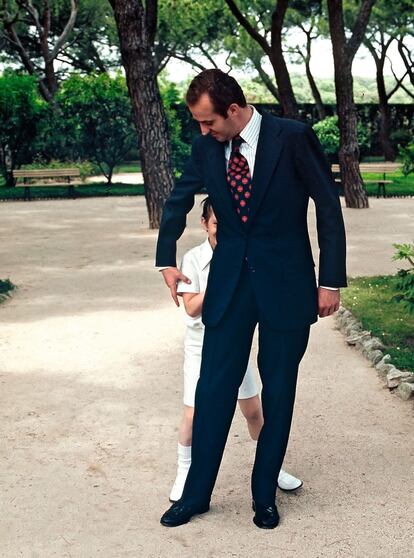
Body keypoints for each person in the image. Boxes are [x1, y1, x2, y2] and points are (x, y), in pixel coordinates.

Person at [156, 69, 346, 529]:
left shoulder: (292, 137)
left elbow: (326, 203)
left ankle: (264, 496)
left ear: (235, 110)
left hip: (286, 283)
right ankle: (196, 494)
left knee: (278, 391)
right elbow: (179, 199)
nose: (203, 132)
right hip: (229, 286)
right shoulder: (207, 147)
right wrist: (165, 259)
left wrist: (330, 280)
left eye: (209, 122)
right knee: (213, 389)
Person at [170, 196, 303, 503]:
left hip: (232, 345)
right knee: (193, 416)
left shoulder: (243, 256)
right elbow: (191, 308)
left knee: (254, 412)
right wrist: (220, 279)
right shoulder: (193, 259)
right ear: (205, 224)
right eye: (217, 224)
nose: (222, 230)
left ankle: (272, 468)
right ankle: (184, 473)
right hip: (201, 349)